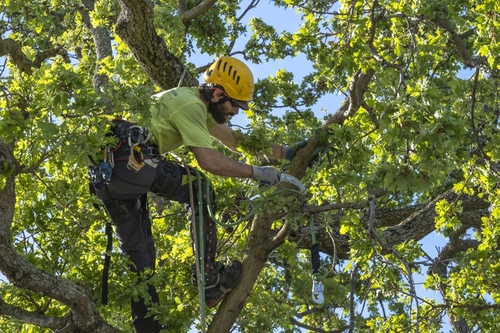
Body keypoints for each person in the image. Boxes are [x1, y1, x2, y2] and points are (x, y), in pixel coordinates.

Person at [90, 56, 291, 333]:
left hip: (111, 180)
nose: (236, 112)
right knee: (200, 187)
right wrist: (260, 173)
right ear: (218, 93)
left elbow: (234, 142)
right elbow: (209, 161)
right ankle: (208, 280)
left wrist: (286, 153)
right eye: (235, 104)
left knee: (142, 261)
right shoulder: (191, 104)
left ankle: (148, 329)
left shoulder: (196, 105)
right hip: (133, 163)